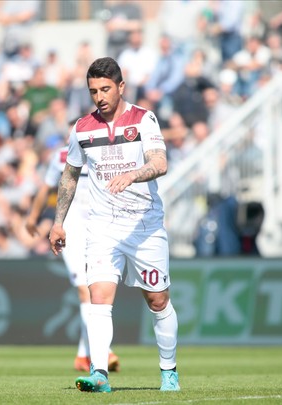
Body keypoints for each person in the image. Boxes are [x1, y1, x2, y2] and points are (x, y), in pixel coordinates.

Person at [48, 57, 180, 393]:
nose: (100, 96)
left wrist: (133, 174)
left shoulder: (143, 119)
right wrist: (58, 222)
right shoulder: (82, 128)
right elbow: (69, 176)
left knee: (158, 300)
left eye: (106, 88)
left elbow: (160, 162)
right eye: (94, 90)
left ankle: (169, 371)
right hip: (103, 227)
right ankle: (100, 373)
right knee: (99, 298)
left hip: (144, 226)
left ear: (121, 87)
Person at [25, 133, 120, 373]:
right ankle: (103, 351)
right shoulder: (61, 157)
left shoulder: (106, 153)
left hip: (101, 225)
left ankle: (82, 355)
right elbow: (46, 188)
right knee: (84, 289)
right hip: (73, 227)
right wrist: (34, 217)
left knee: (98, 290)